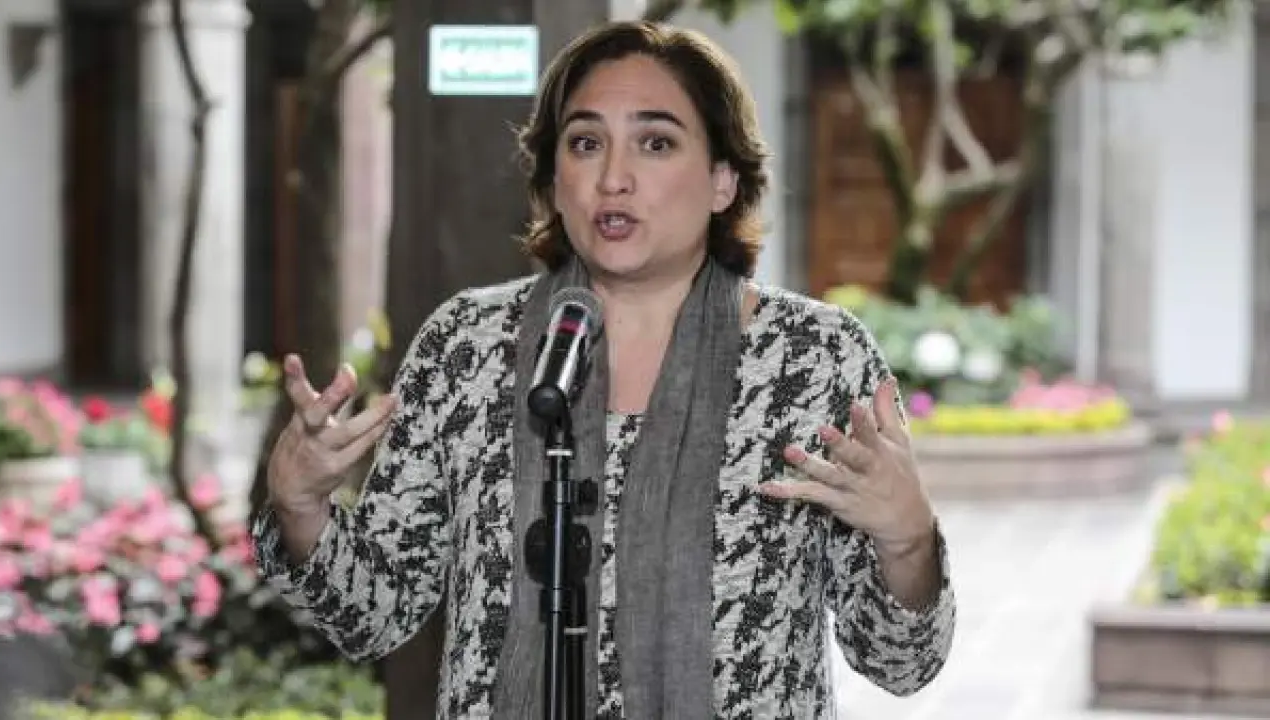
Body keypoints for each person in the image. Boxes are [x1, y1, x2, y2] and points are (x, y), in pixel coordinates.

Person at [253, 20, 956, 719]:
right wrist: (302, 508)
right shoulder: (467, 346)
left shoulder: (815, 358)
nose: (613, 178)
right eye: (586, 143)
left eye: (656, 143)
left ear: (722, 180)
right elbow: (375, 615)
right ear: (555, 180)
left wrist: (908, 540)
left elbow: (900, 664)